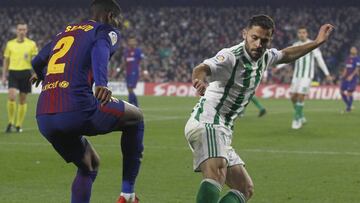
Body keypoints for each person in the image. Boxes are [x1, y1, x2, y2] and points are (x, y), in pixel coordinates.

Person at [185, 15, 333, 203]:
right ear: (245, 34)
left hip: (223, 128)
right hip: (208, 121)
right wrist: (200, 80)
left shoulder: (265, 56)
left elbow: (287, 54)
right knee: (216, 174)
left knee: (244, 188)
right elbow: (203, 67)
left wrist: (317, 42)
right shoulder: (231, 56)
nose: (258, 44)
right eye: (254, 38)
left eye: (264, 40)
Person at [30, 1, 144, 202]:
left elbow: (37, 60)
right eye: (117, 19)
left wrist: (39, 74)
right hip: (77, 109)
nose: (118, 23)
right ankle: (127, 194)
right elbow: (100, 48)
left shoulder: (65, 32)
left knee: (89, 164)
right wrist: (101, 83)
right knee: (136, 118)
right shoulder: (106, 30)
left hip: (44, 117)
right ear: (110, 16)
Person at [275, 26, 332, 129]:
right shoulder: (295, 45)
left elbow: (320, 60)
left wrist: (327, 74)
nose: (302, 34)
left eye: (304, 32)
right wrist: (278, 67)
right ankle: (301, 115)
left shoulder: (313, 44)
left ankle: (296, 119)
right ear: (298, 34)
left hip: (307, 76)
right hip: (297, 75)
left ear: (307, 34)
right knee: (293, 97)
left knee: (301, 96)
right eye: (300, 32)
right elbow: (289, 58)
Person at [2, 23, 38, 133]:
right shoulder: (10, 44)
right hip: (13, 72)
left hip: (26, 73)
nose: (21, 31)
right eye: (19, 29)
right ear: (16, 31)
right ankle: (11, 122)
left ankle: (18, 124)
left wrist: (36, 73)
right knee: (11, 96)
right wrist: (4, 75)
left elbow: (36, 60)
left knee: (22, 100)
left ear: (26, 31)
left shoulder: (31, 44)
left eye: (23, 29)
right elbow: (6, 60)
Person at [122, 36, 144, 106]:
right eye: (130, 41)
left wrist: (144, 70)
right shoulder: (126, 51)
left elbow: (142, 61)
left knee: (130, 88)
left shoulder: (138, 51)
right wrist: (119, 71)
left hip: (134, 72)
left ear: (135, 42)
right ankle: (135, 106)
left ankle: (132, 105)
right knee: (129, 89)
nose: (131, 42)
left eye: (133, 41)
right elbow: (124, 62)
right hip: (128, 72)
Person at [340, 46, 359, 112]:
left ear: (356, 51)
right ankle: (349, 105)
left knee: (349, 93)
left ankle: (348, 108)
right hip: (346, 78)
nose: (352, 50)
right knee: (341, 91)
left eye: (354, 49)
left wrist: (352, 76)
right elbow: (346, 68)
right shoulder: (348, 58)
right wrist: (343, 76)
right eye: (352, 49)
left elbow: (357, 69)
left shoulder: (357, 59)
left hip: (353, 79)